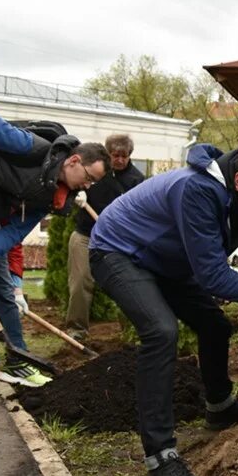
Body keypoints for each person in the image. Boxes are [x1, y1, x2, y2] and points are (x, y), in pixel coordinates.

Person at [88, 141, 238, 476]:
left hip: (166, 262)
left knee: (216, 326)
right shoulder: (198, 190)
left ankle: (220, 407)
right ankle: (161, 464)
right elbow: (214, 279)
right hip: (119, 250)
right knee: (161, 332)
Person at [0, 98, 110, 392]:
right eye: (89, 178)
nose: (87, 187)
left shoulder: (53, 195)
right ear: (73, 161)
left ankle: (18, 361)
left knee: (4, 288)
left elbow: (14, 232)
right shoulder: (26, 147)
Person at [65, 134, 144, 339]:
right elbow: (69, 183)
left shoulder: (136, 180)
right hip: (85, 235)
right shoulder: (97, 171)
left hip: (116, 242)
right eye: (114, 155)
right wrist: (75, 195)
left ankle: (131, 329)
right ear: (108, 154)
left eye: (123, 156)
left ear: (129, 156)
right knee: (81, 282)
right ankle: (77, 330)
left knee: (126, 285)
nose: (118, 159)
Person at [0, 243, 50, 386]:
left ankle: (12, 358)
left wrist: (16, 288)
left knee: (3, 294)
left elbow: (13, 248)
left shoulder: (9, 223)